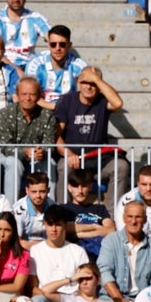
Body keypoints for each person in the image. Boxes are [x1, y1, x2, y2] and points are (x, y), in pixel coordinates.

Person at [54, 65, 128, 204]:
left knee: (121, 166)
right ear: (78, 83)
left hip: (100, 159)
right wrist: (68, 154)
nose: (88, 87)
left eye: (93, 83)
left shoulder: (102, 100)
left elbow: (118, 103)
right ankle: (62, 214)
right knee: (64, 166)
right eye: (84, 82)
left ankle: (113, 216)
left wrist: (96, 79)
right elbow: (56, 135)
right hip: (74, 158)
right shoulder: (67, 101)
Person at [98, 200, 151, 302]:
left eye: (138, 217)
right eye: (130, 216)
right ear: (123, 218)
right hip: (112, 299)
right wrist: (121, 300)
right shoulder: (110, 241)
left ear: (145, 219)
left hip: (143, 301)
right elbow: (104, 272)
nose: (133, 221)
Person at [25, 25, 87, 106]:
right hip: (40, 109)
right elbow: (28, 95)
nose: (57, 48)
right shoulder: (35, 64)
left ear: (69, 45)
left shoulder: (79, 65)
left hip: (69, 110)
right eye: (53, 44)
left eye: (62, 44)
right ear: (48, 45)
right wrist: (55, 107)